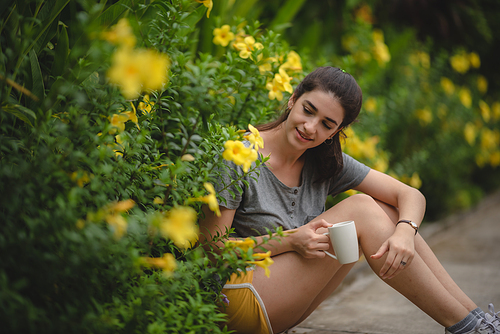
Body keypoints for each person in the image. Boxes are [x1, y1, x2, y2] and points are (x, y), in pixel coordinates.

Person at [198, 67, 499, 334]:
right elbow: (213, 250)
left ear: (336, 132)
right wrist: (290, 241)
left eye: (327, 124)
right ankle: (468, 328)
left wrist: (405, 232)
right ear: (292, 99)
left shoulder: (323, 162)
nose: (310, 127)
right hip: (235, 296)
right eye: (308, 110)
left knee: (390, 212)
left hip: (280, 306)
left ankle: (475, 320)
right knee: (364, 209)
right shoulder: (239, 156)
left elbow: (410, 195)